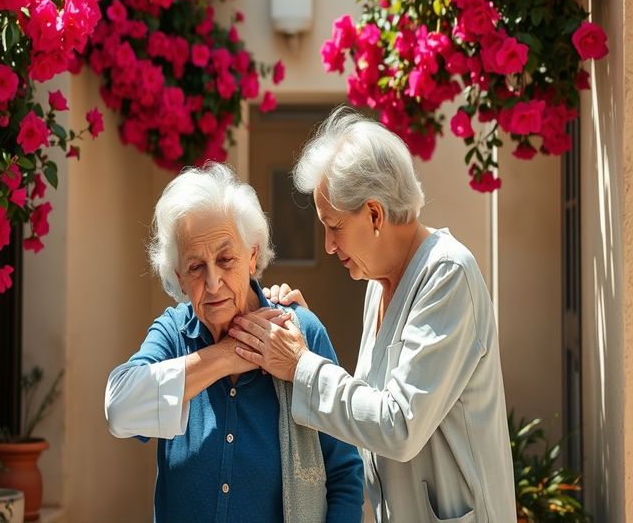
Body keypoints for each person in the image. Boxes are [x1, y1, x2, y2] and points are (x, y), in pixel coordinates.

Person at [230, 106, 516, 522]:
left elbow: (398, 427)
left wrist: (300, 365)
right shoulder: (377, 285)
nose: (328, 245)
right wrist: (306, 340)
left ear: (375, 214)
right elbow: (367, 409)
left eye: (334, 226)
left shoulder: (447, 274)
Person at [104, 163, 364, 522]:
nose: (213, 283)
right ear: (179, 278)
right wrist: (226, 356)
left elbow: (345, 473)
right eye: (196, 267)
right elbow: (120, 409)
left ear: (253, 256)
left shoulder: (299, 331)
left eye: (226, 259)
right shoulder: (173, 334)